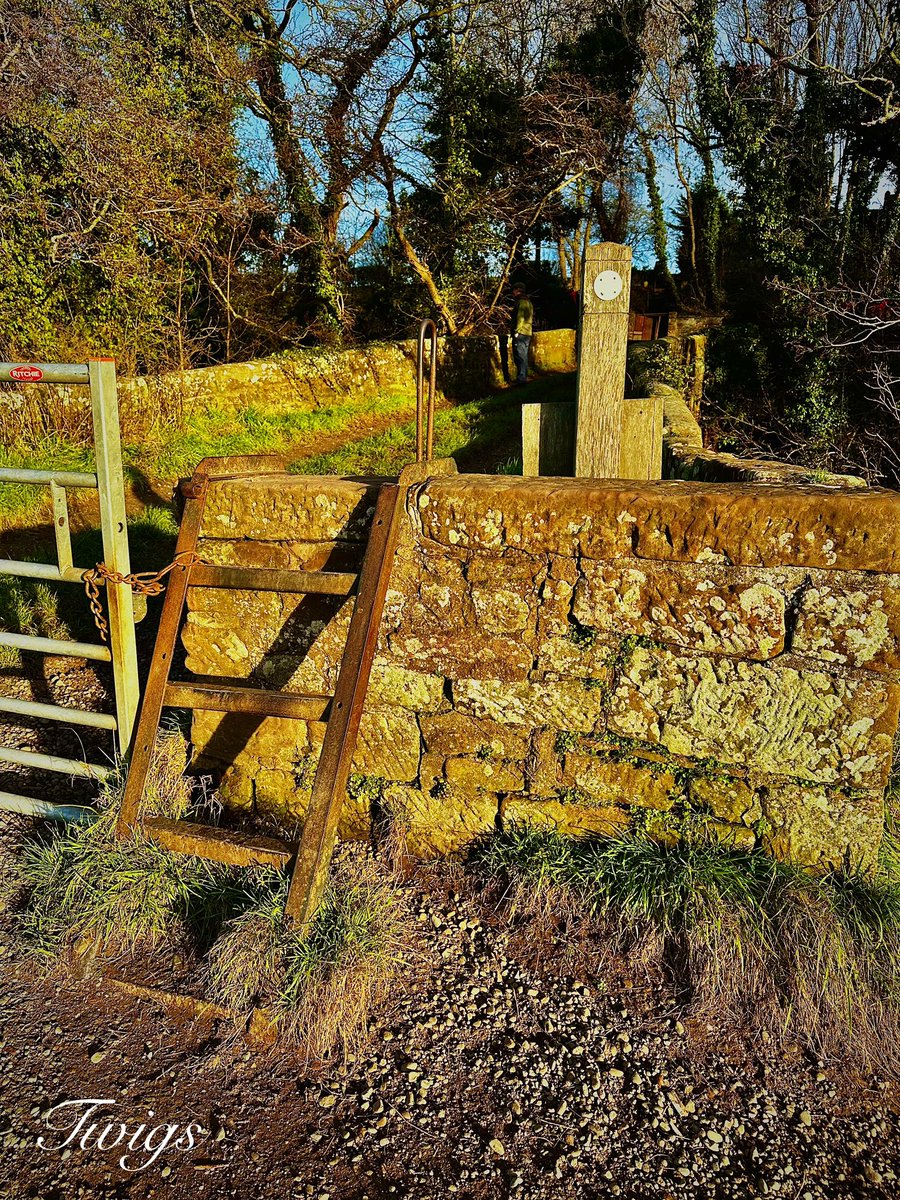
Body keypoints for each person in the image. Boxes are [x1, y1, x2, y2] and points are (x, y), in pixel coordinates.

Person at [509, 284, 533, 385]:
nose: (512, 292)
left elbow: (520, 317)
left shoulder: (521, 302)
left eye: (513, 290)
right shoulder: (528, 301)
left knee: (520, 355)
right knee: (524, 355)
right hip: (527, 332)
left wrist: (516, 331)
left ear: (518, 290)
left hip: (522, 332)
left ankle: (521, 378)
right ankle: (523, 376)